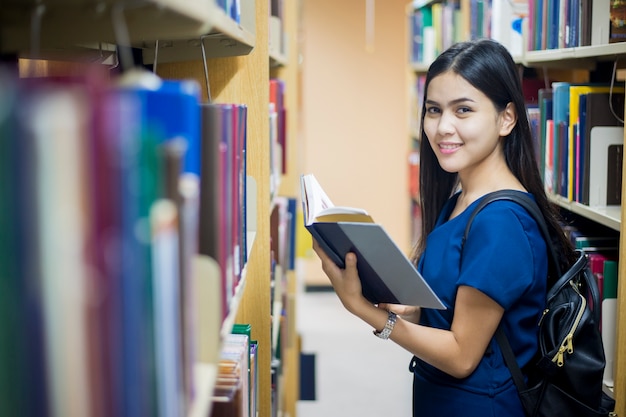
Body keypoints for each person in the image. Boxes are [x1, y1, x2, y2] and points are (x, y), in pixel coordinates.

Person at [312, 38, 576, 416]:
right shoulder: (460, 200)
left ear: (507, 118)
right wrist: (409, 309)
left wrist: (362, 309)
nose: (442, 127)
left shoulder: (500, 222)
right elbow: (451, 313)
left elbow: (462, 355)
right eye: (433, 110)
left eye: (463, 110)